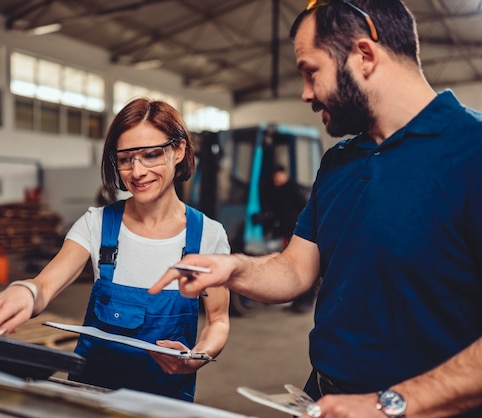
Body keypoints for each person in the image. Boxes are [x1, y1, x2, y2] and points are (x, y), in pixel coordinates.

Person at [151, 0, 482, 416]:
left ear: (364, 55)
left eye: (311, 71)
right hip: (325, 400)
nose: (306, 92)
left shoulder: (473, 151)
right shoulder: (339, 161)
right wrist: (234, 268)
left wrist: (392, 404)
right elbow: (296, 269)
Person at [0, 98, 231, 402]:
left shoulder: (207, 236)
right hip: (91, 396)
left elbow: (218, 320)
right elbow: (45, 285)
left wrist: (197, 356)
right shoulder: (97, 224)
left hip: (165, 402)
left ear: (179, 150)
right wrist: (25, 291)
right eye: (125, 159)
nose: (137, 172)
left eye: (151, 155)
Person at [260, 164, 317, 314]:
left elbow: (307, 211)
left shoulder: (295, 190)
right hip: (287, 233)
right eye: (274, 179)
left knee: (304, 266)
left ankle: (307, 301)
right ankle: (297, 301)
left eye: (278, 177)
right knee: (293, 267)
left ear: (284, 175)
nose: (276, 181)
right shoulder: (275, 192)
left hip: (301, 234)